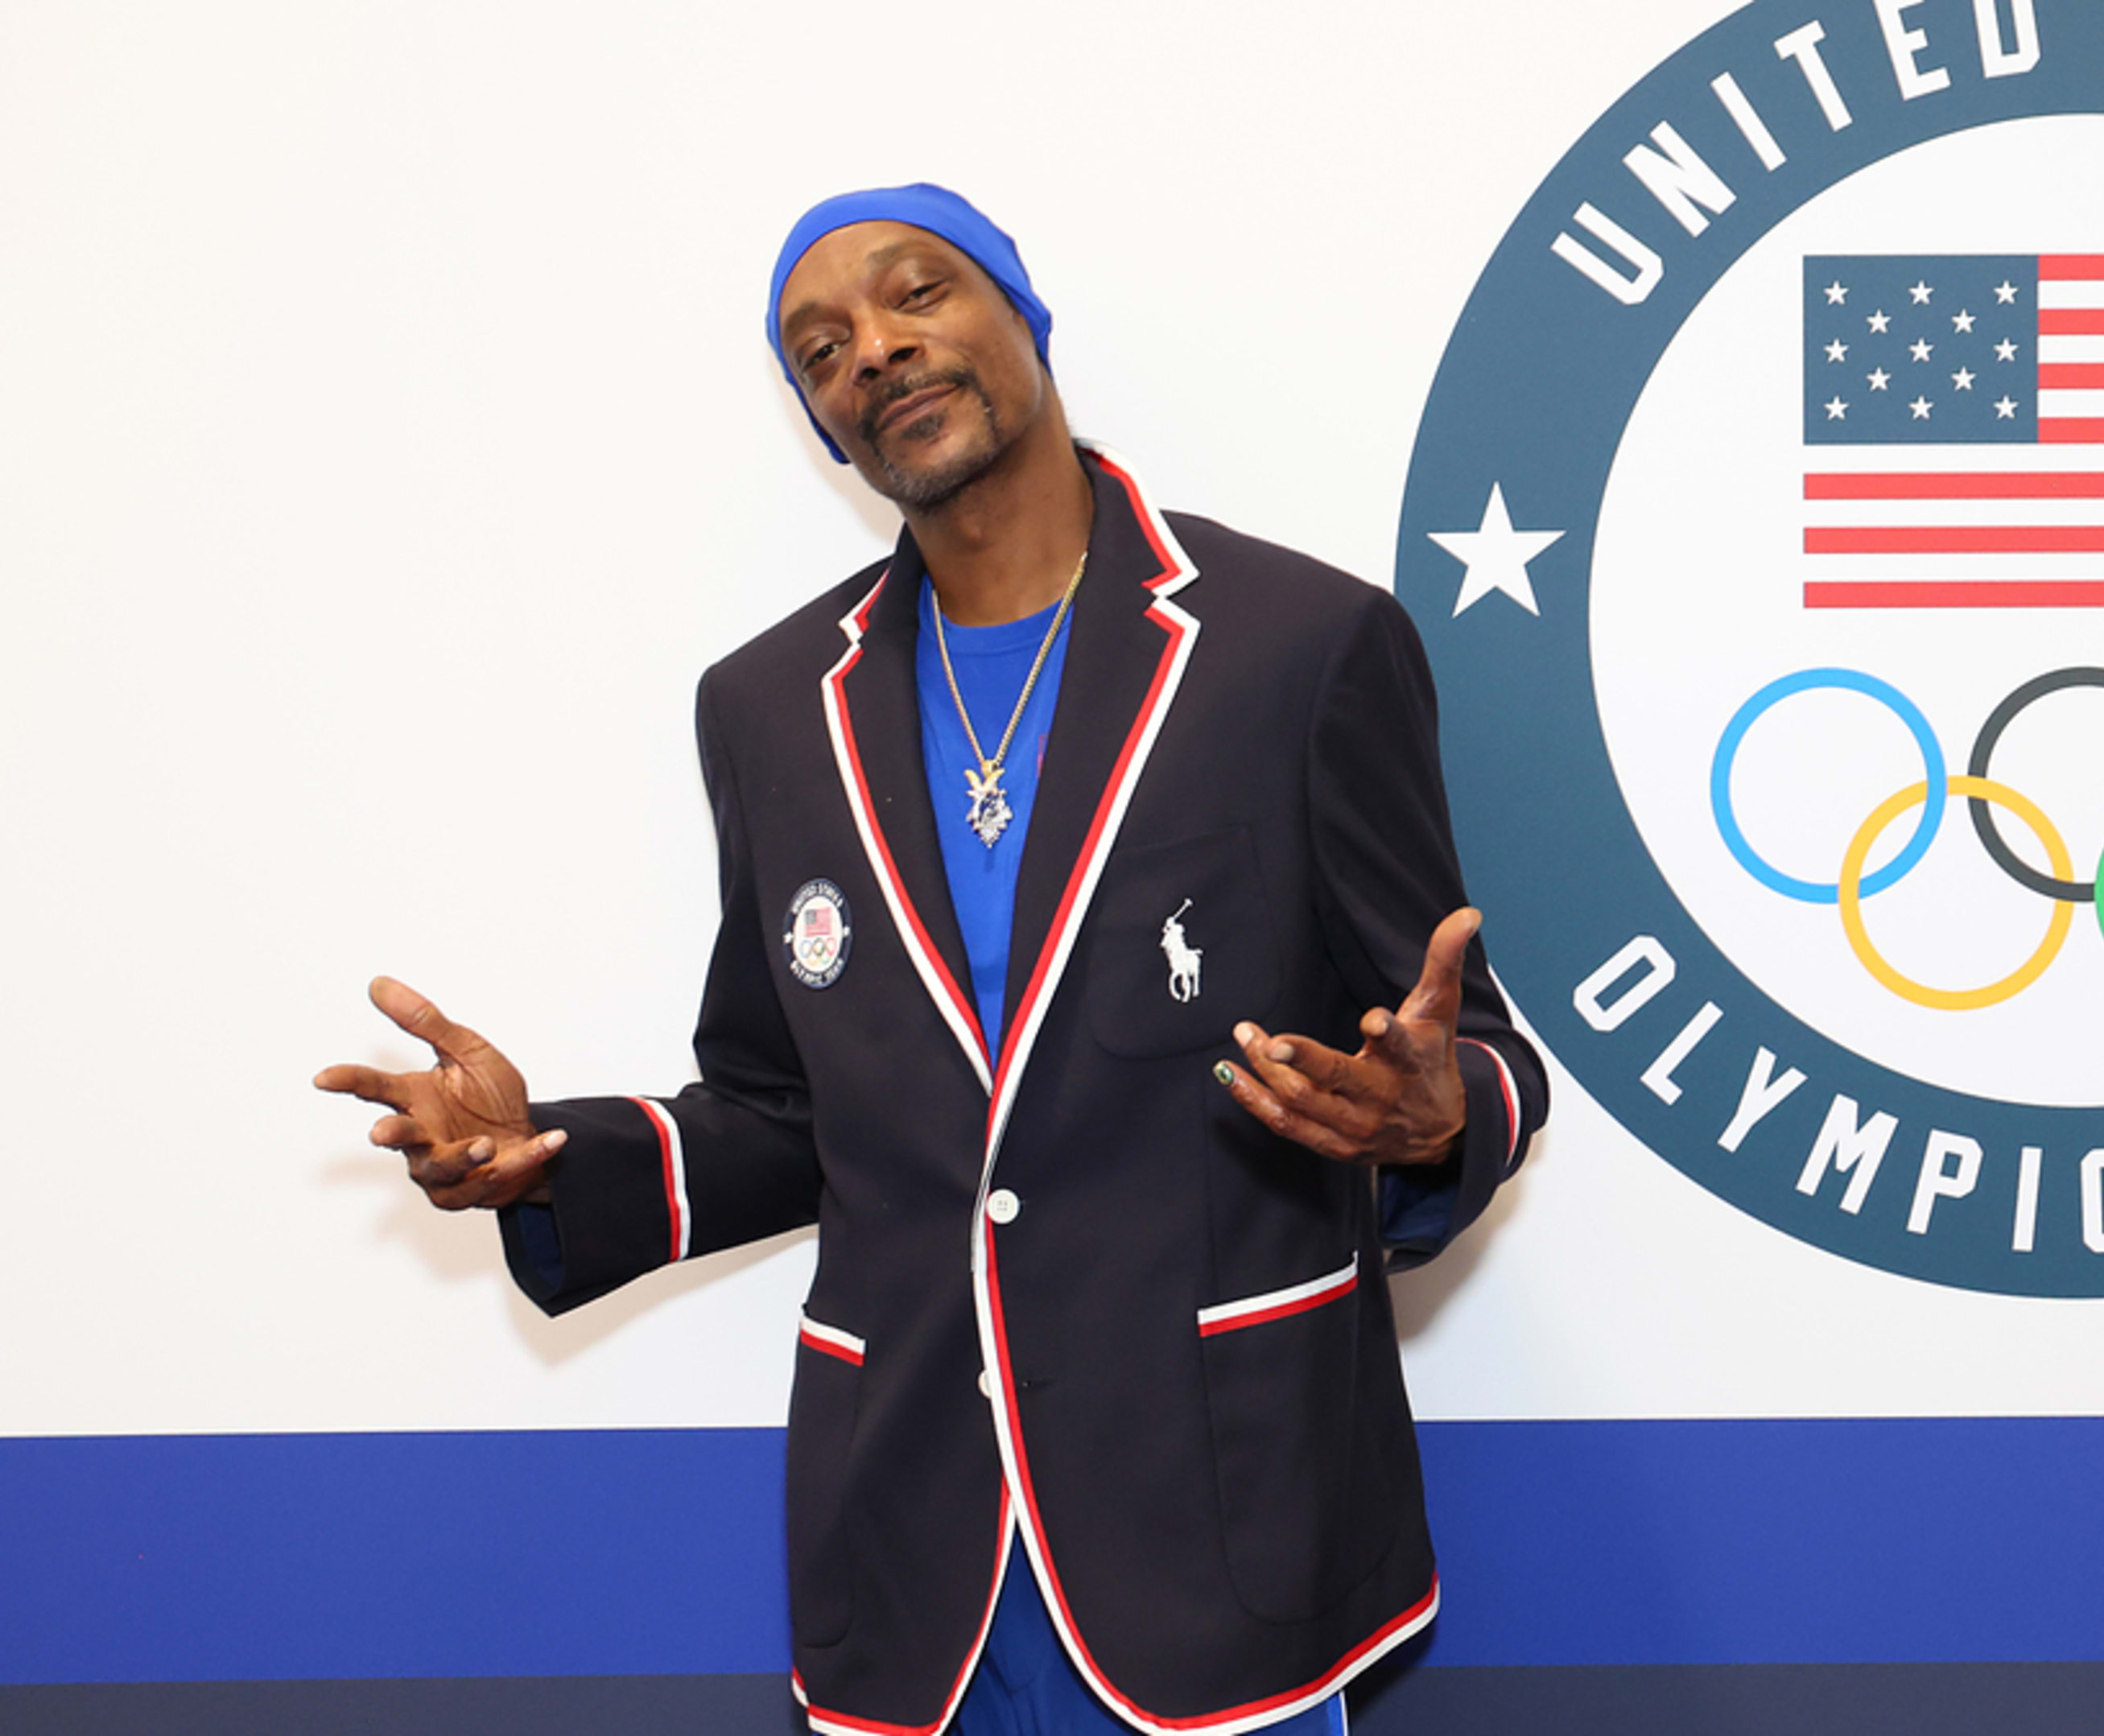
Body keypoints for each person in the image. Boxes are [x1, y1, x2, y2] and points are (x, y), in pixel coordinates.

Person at [314, 183, 1545, 1736]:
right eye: (821, 350)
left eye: (918, 296)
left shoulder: (1302, 644)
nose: (875, 352)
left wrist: (1438, 1117)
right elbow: (781, 1106)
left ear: (1019, 315)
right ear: (824, 426)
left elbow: (1471, 1051)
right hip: (909, 1549)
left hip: (1219, 1531)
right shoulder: (767, 707)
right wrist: (548, 1155)